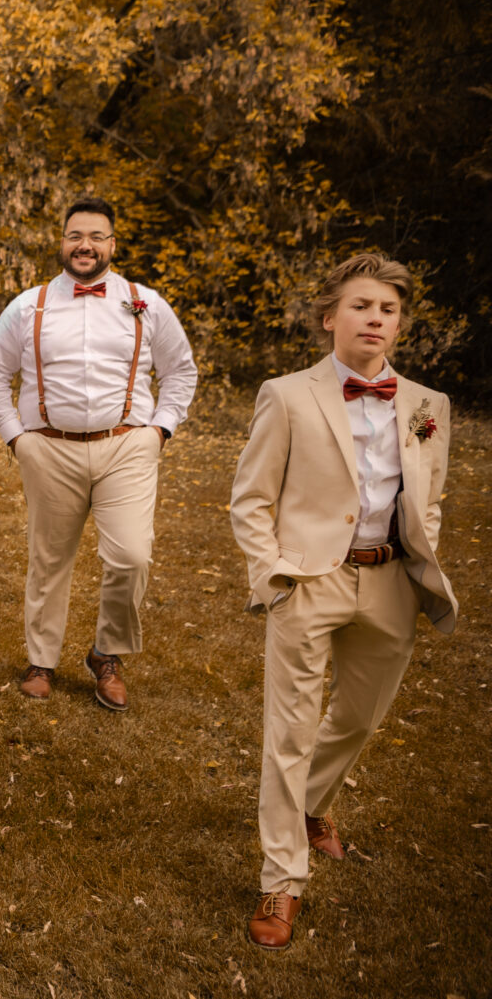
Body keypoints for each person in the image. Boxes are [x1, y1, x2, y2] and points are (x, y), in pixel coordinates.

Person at [230, 253, 456, 951]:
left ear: (399, 324)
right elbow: (251, 498)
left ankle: (310, 804)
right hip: (308, 579)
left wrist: (422, 553)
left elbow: (432, 495)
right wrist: (272, 575)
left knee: (357, 718)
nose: (375, 319)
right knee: (289, 730)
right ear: (332, 317)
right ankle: (281, 877)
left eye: (387, 310)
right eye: (362, 306)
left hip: (390, 582)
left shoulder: (427, 406)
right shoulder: (288, 394)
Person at [0, 197, 197, 710]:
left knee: (132, 556)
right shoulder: (28, 306)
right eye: (76, 235)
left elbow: (180, 371)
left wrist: (159, 430)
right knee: (49, 559)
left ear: (112, 245)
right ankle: (41, 660)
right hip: (49, 449)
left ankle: (107, 653)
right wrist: (17, 437)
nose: (85, 245)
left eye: (97, 236)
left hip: (127, 446)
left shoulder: (146, 303)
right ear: (62, 241)